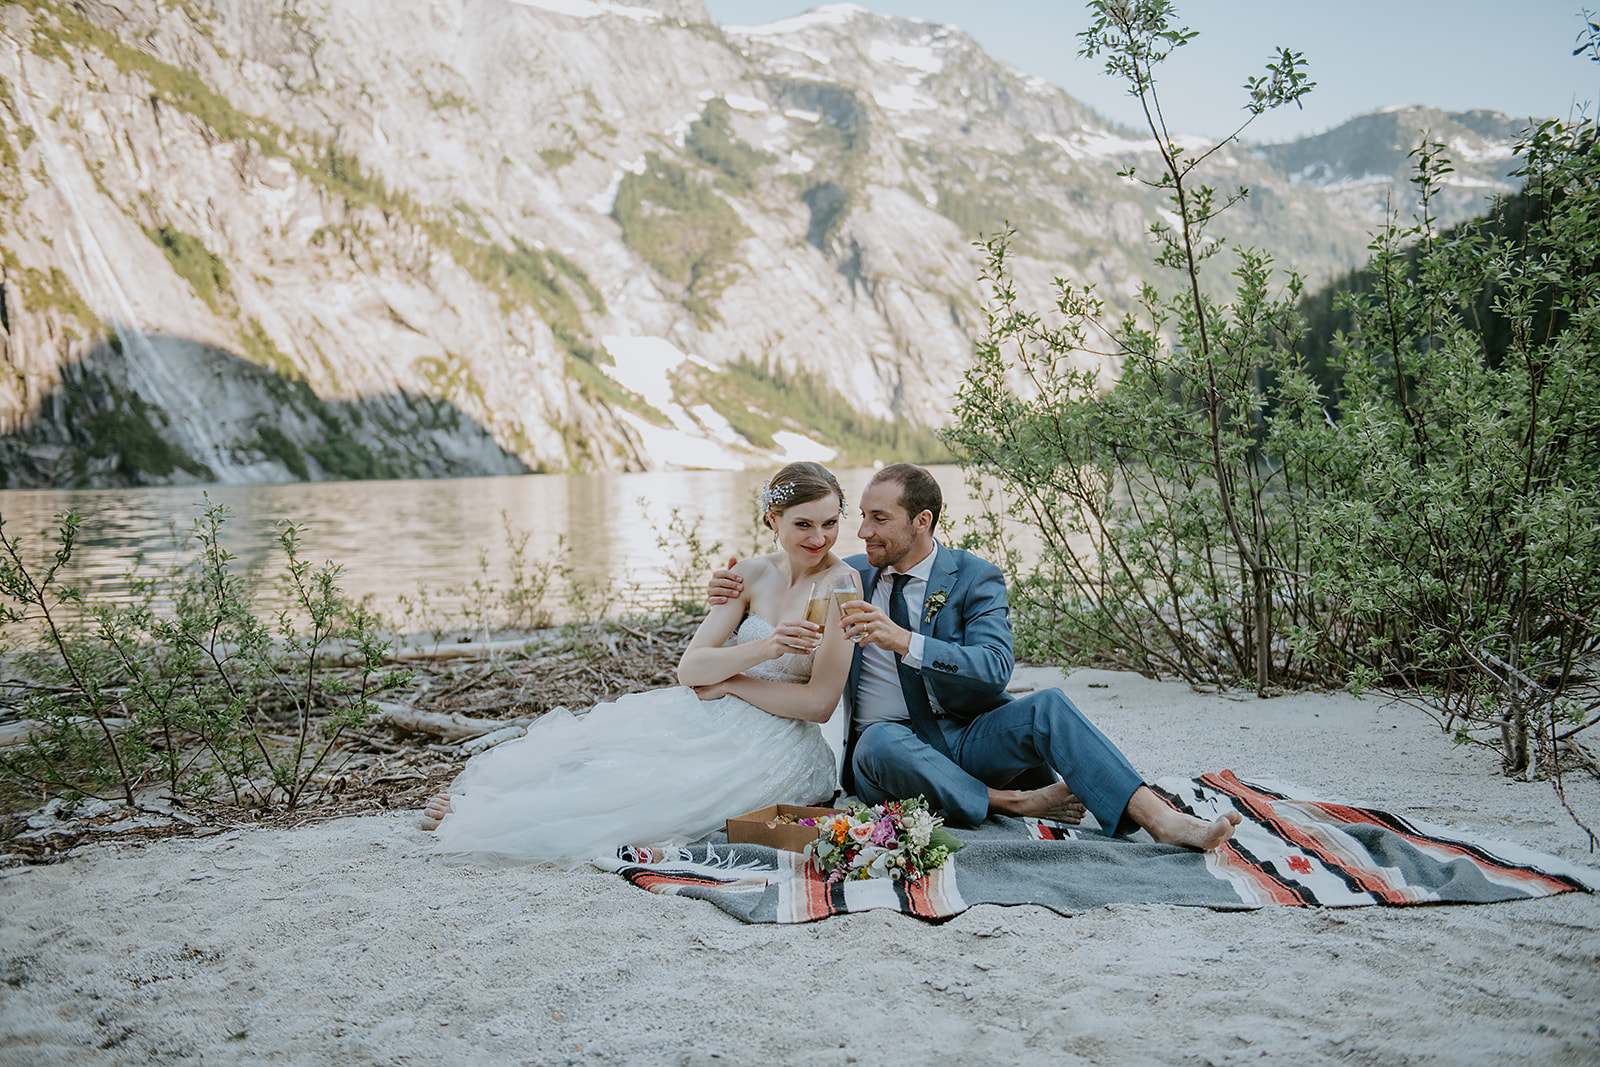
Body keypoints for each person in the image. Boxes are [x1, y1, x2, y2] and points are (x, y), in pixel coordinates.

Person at [708, 463, 1241, 851]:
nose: (861, 531)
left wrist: (904, 641)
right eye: (862, 518)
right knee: (882, 737)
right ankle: (1013, 803)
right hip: (888, 757)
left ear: (921, 521)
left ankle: (1162, 821)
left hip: (965, 736)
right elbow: (788, 568)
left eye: (877, 519)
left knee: (1049, 703)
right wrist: (724, 584)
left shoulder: (975, 577)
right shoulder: (847, 575)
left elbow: (993, 668)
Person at [421, 461, 857, 866]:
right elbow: (691, 670)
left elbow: (819, 704)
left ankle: (496, 817)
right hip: (712, 710)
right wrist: (765, 648)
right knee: (610, 749)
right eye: (803, 524)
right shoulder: (750, 573)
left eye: (830, 523)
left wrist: (734, 683)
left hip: (779, 740)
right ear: (772, 520)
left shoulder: (842, 584)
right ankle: (490, 802)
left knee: (657, 790)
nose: (819, 539)